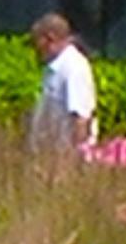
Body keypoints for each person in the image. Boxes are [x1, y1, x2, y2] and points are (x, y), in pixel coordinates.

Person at [28, 12, 96, 151]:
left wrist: (72, 158)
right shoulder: (53, 67)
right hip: (49, 153)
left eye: (36, 42)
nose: (35, 49)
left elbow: (81, 119)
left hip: (64, 155)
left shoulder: (74, 68)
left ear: (50, 39)